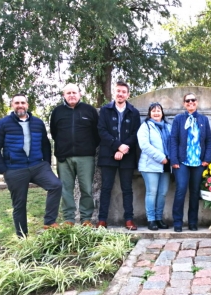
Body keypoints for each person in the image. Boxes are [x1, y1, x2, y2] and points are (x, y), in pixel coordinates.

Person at [0, 94, 62, 237]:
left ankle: (49, 222)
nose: (20, 105)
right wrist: (4, 170)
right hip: (15, 169)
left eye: (23, 102)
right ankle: (23, 237)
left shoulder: (38, 123)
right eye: (17, 103)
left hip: (37, 166)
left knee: (56, 185)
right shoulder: (2, 124)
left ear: (27, 105)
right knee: (19, 204)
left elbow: (45, 145)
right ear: (12, 105)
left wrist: (46, 164)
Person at [50, 84, 100, 227]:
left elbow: (97, 134)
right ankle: (69, 219)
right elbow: (54, 133)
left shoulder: (89, 110)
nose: (71, 95)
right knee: (66, 189)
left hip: (85, 157)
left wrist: (88, 147)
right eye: (68, 93)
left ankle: (86, 219)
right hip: (64, 158)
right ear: (64, 95)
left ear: (80, 94)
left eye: (74, 92)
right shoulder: (57, 112)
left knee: (87, 189)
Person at [96, 81, 140, 230]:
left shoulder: (134, 112)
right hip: (108, 154)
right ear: (114, 93)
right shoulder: (105, 110)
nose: (120, 94)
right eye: (118, 91)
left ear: (128, 94)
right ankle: (102, 220)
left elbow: (136, 133)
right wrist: (117, 146)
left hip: (127, 155)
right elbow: (101, 131)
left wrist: (124, 148)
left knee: (127, 188)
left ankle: (129, 219)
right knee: (106, 188)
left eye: (123, 92)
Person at [170, 93, 211, 232]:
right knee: (181, 190)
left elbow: (208, 141)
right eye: (187, 100)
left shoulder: (203, 119)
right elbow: (174, 140)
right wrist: (174, 160)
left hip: (199, 163)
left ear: (197, 102)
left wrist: (206, 159)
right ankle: (177, 222)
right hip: (182, 162)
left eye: (193, 100)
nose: (190, 102)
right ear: (184, 104)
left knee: (195, 192)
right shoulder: (178, 119)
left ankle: (192, 222)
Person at [138, 103, 171, 231]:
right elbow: (144, 145)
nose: (156, 113)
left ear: (162, 112)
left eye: (158, 110)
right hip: (149, 165)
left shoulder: (168, 126)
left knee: (162, 193)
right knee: (152, 192)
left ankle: (159, 218)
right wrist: (161, 157)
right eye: (153, 111)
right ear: (149, 113)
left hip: (166, 166)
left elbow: (174, 142)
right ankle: (151, 220)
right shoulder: (145, 126)